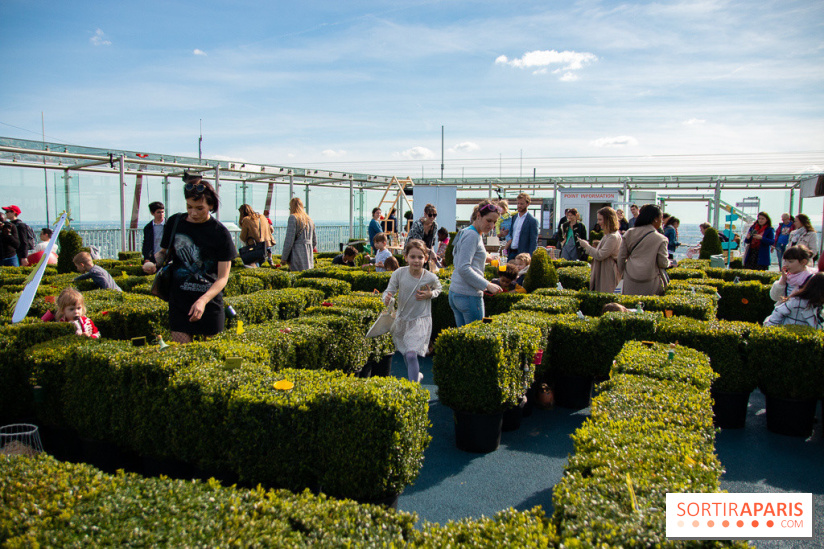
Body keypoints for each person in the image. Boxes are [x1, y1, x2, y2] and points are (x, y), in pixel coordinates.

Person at [142, 173, 237, 344]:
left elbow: (223, 278)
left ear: (211, 207)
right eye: (189, 207)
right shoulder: (175, 222)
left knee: (211, 356)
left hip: (209, 302)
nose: (193, 213)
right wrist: (152, 263)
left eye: (199, 208)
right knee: (181, 354)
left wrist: (202, 300)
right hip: (180, 300)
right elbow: (163, 252)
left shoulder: (220, 233)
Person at [382, 239, 442, 383]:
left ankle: (413, 386)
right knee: (405, 352)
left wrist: (430, 294)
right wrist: (387, 298)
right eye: (413, 257)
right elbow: (388, 291)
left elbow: (438, 289)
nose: (416, 260)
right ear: (406, 257)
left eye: (420, 257)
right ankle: (416, 375)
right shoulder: (398, 273)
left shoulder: (430, 277)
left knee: (410, 354)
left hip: (421, 320)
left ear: (426, 258)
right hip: (402, 319)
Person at [449, 200, 503, 327]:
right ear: (478, 216)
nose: (491, 225)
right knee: (475, 340)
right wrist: (487, 285)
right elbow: (463, 268)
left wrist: (486, 257)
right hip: (468, 295)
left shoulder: (466, 231)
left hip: (456, 293)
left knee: (463, 339)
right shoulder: (473, 235)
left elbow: (457, 256)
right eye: (489, 220)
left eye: (494, 222)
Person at [617, 204, 670, 296]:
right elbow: (662, 263)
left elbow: (621, 257)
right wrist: (669, 262)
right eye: (661, 218)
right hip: (651, 280)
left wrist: (623, 273)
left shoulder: (629, 233)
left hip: (630, 278)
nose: (662, 221)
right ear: (655, 219)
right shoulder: (661, 239)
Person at [578, 207, 622, 293]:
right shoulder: (608, 235)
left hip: (607, 273)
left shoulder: (613, 237)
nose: (598, 222)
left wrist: (586, 246)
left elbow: (600, 255)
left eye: (600, 219)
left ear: (608, 220)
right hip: (604, 271)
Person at [281, 197, 317, 272]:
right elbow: (314, 241)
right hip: (308, 255)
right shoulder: (309, 220)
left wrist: (284, 258)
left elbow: (289, 240)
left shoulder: (293, 218)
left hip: (297, 254)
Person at [504, 193, 538, 261]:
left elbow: (533, 241)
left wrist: (530, 257)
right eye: (518, 203)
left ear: (528, 204)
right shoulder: (514, 218)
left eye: (522, 204)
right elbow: (511, 234)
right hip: (512, 252)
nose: (519, 206)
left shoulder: (532, 221)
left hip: (523, 255)